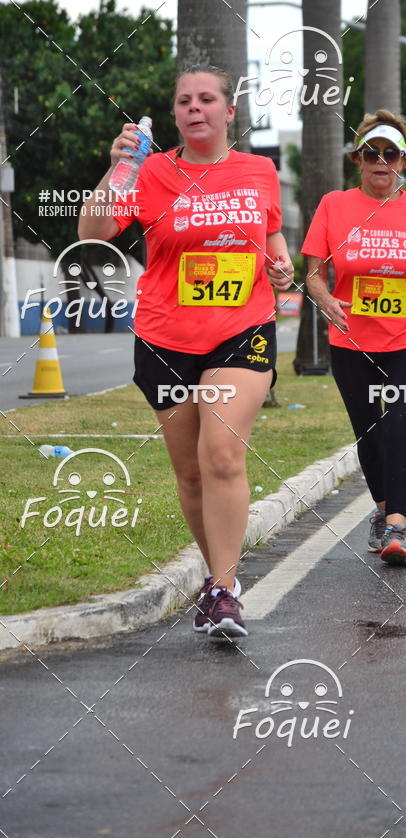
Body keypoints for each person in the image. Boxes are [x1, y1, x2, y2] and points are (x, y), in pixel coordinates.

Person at [79, 64, 294, 637]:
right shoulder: (148, 172)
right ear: (174, 115)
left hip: (241, 328)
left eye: (206, 99)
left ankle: (222, 591)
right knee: (192, 475)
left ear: (229, 111)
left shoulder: (259, 171)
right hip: (164, 336)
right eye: (183, 101)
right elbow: (92, 232)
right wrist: (114, 170)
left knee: (220, 455)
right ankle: (218, 576)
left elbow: (271, 235)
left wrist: (281, 265)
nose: (194, 107)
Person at [302, 110, 406, 566]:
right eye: (371, 153)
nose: (381, 161)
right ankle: (382, 511)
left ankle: (398, 526)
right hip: (351, 339)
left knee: (399, 426)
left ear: (404, 160)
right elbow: (313, 273)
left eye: (391, 153)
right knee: (369, 430)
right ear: (357, 159)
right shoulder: (334, 205)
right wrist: (325, 299)